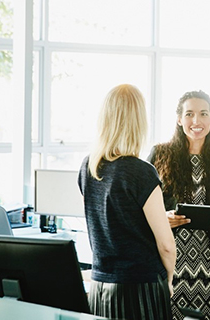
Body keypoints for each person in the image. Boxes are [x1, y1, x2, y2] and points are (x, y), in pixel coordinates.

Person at [78, 84, 176, 320]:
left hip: (100, 285)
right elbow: (166, 244)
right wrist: (169, 280)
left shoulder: (88, 166)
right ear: (138, 122)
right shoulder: (140, 172)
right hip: (140, 287)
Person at [149, 90, 210, 320]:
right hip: (172, 256)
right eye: (189, 114)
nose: (196, 121)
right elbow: (142, 205)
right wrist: (163, 217)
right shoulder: (160, 154)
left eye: (203, 114)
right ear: (179, 119)